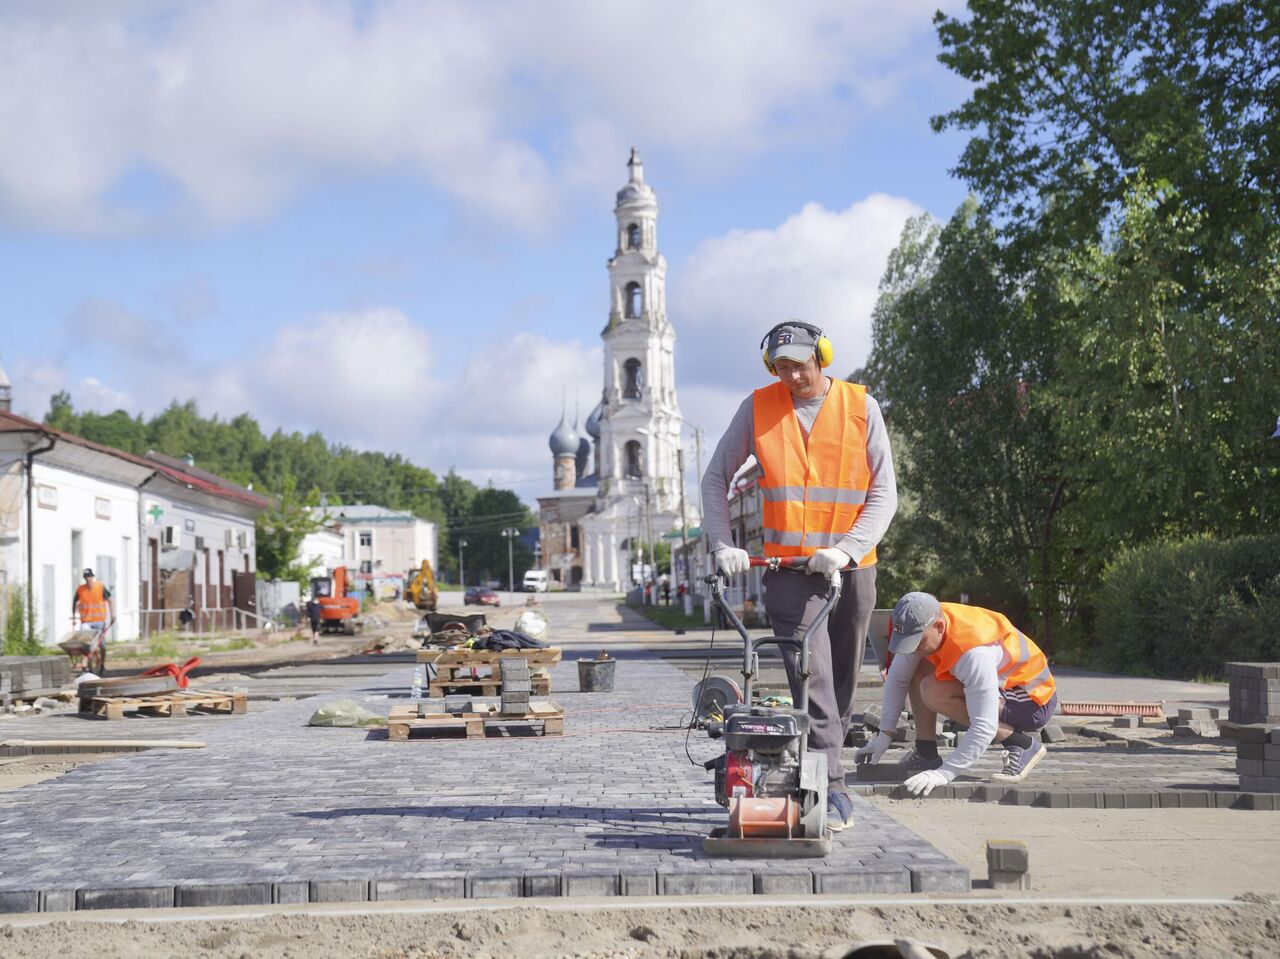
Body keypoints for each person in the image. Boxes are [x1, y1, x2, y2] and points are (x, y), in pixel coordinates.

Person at [701, 320, 897, 831]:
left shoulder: (861, 407)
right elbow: (715, 479)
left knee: (844, 683)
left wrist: (847, 551)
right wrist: (724, 544)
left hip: (852, 570)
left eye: (799, 365)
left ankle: (830, 767)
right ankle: (831, 788)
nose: (791, 375)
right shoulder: (758, 408)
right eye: (780, 367)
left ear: (822, 357)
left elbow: (884, 494)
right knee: (814, 678)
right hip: (789, 571)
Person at [854, 592, 1059, 792]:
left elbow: (984, 726)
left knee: (934, 692)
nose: (913, 647)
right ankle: (926, 753)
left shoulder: (974, 653)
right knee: (917, 667)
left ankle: (1021, 744)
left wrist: (945, 773)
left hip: (1030, 700)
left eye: (917, 640)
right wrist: (884, 734)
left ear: (939, 627)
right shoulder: (925, 621)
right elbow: (898, 679)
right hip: (1001, 688)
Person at [72, 568, 114, 668]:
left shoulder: (100, 587)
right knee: (85, 643)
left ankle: (102, 664)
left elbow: (110, 601)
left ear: (92, 577)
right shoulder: (80, 589)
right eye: (86, 577)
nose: (88, 579)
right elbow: (74, 603)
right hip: (86, 621)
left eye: (89, 576)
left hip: (99, 621)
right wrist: (74, 617)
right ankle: (86, 665)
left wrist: (113, 615)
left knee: (102, 645)